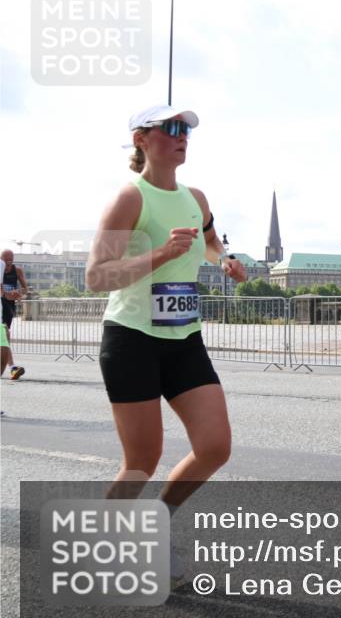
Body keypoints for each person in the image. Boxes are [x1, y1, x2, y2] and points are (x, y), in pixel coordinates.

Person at [85, 105, 247, 584]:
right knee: (141, 462)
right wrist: (160, 254)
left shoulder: (195, 197)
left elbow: (211, 240)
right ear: (141, 139)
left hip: (183, 337)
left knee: (215, 447)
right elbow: (96, 276)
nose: (183, 137)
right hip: (131, 339)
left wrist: (226, 259)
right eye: (171, 129)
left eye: (187, 130)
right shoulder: (129, 199)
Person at [1, 249, 28, 380]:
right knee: (4, 334)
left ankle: (12, 368)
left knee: (4, 335)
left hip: (7, 306)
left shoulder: (17, 271)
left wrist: (19, 292)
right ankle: (12, 367)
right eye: (5, 260)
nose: (8, 262)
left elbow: (25, 288)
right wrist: (6, 294)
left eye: (10, 260)